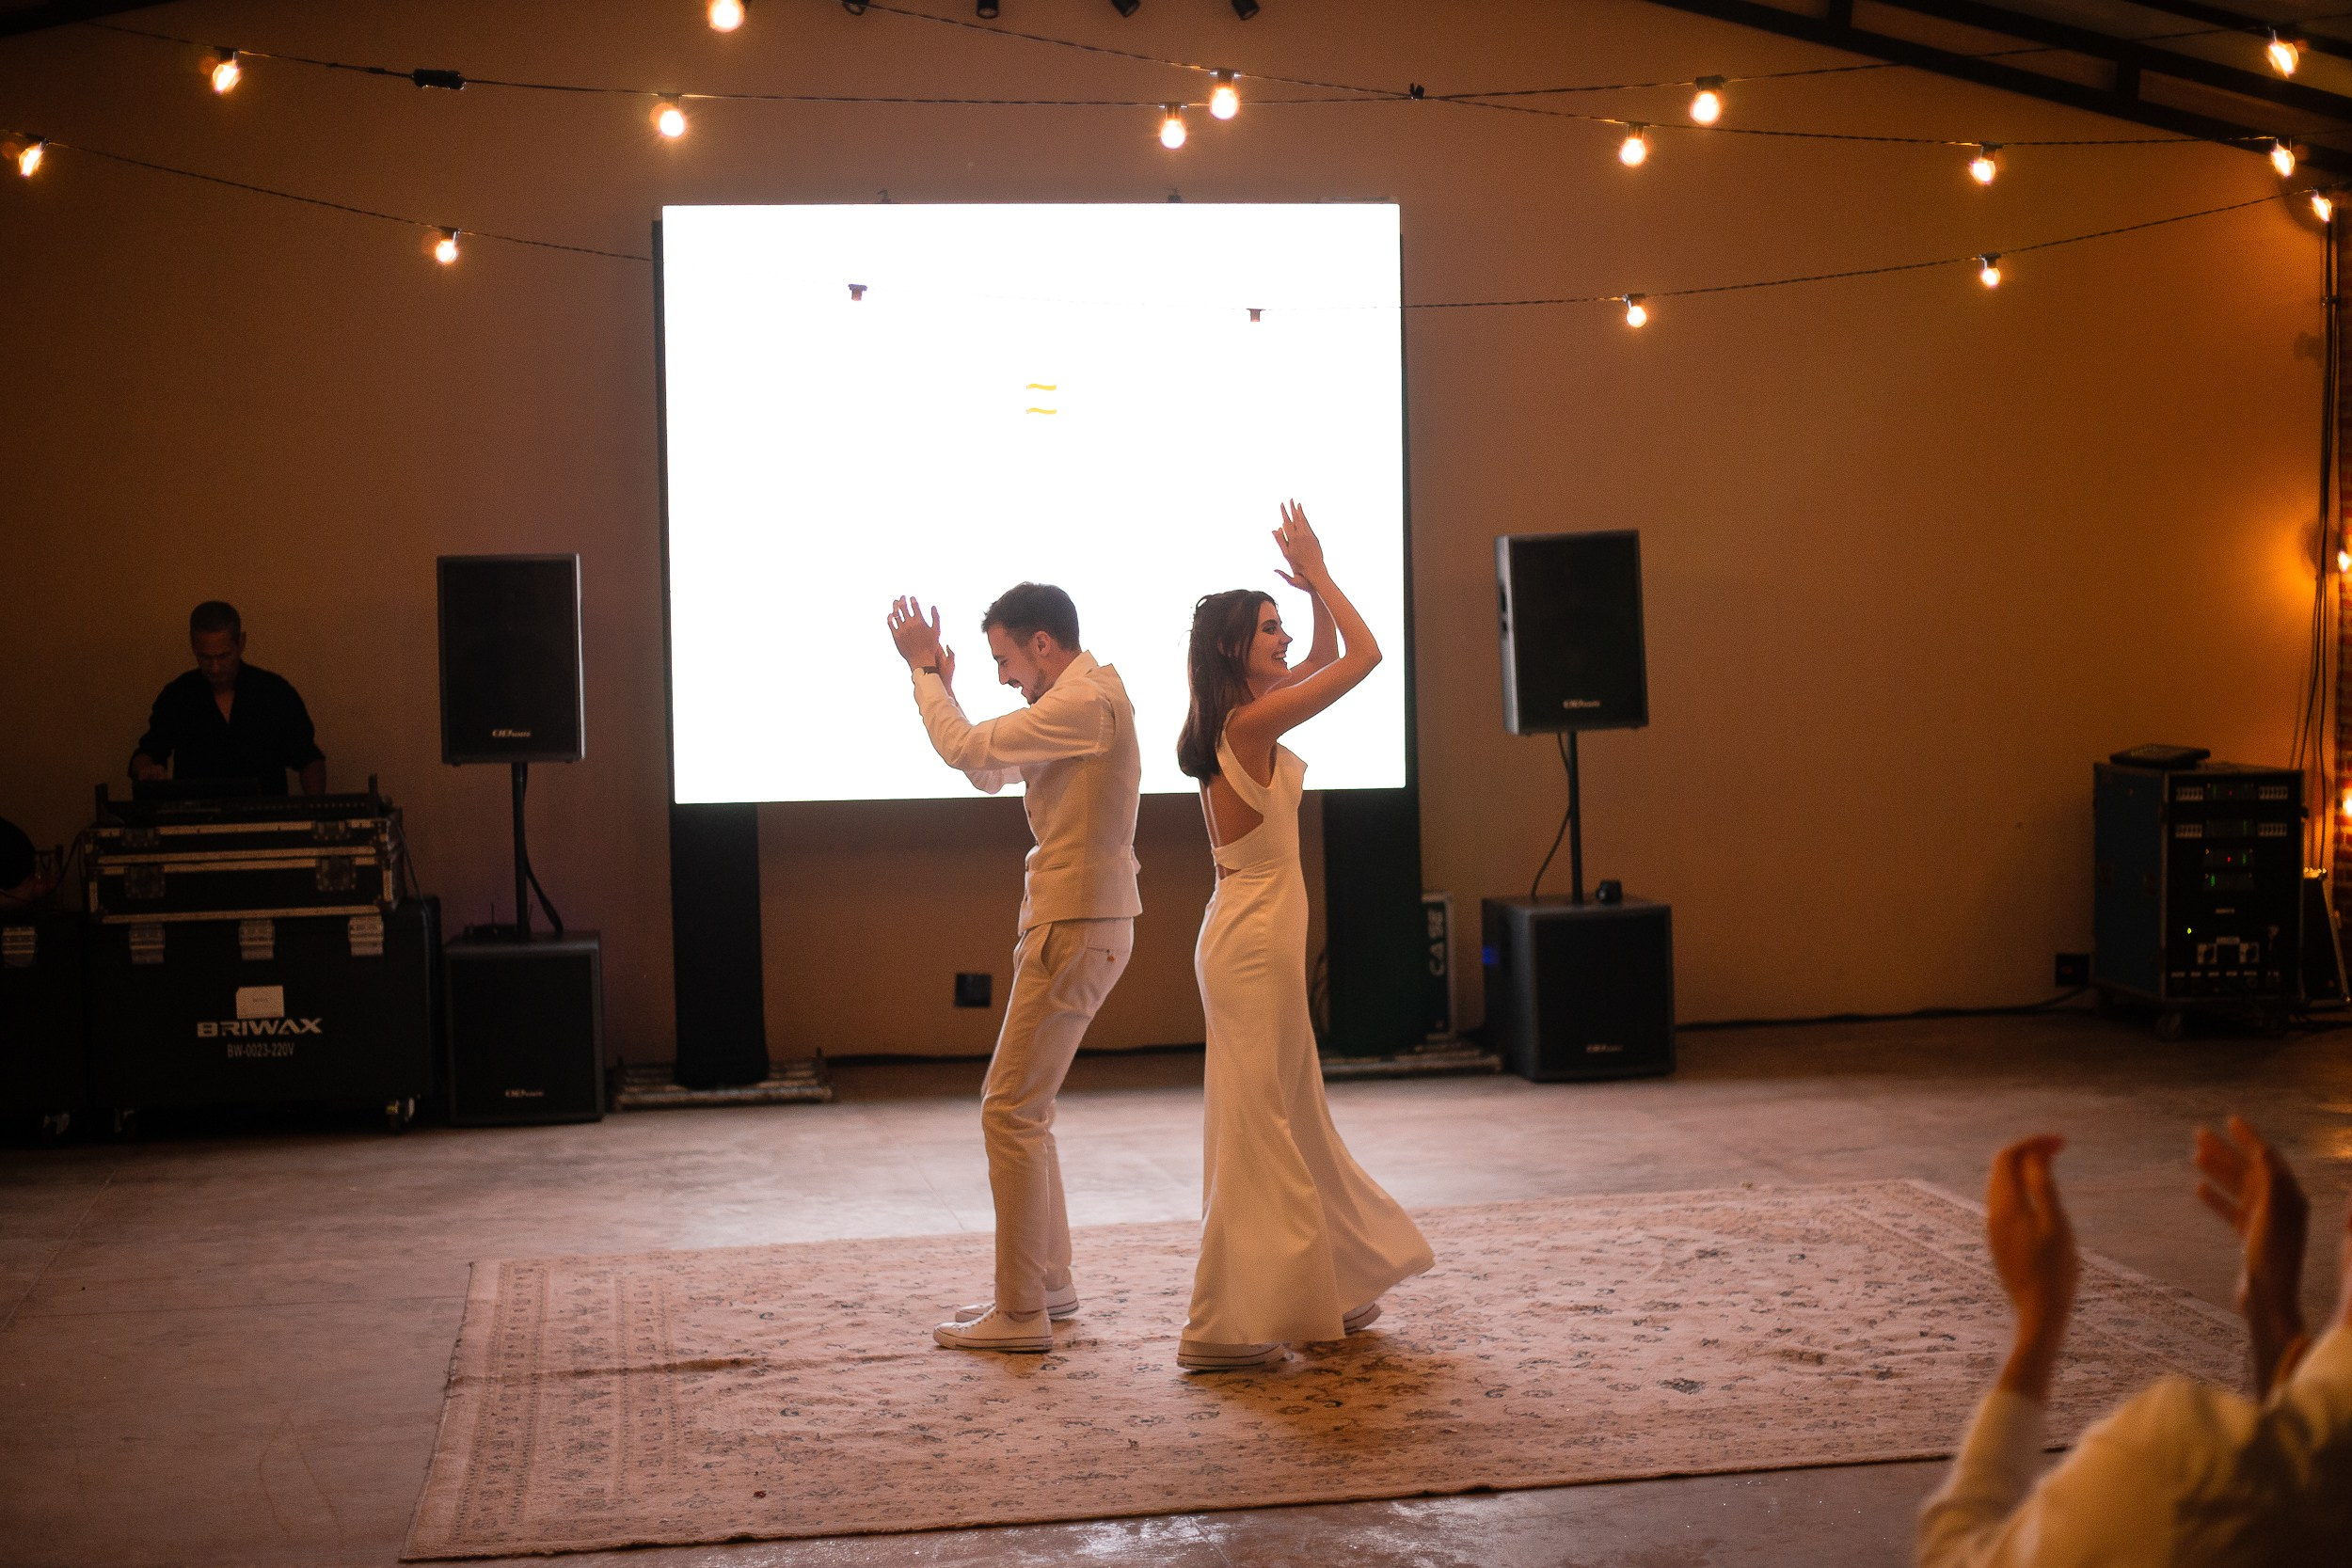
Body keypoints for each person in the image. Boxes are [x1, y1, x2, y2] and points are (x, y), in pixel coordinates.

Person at [1173, 500, 1433, 1372]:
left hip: (1259, 937)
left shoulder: (1257, 709)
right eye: (1268, 628)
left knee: (1293, 1117)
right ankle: (1223, 1327)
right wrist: (1319, 573)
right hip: (1248, 945)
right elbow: (1364, 658)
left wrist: (1310, 595)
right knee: (1260, 1128)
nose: (1285, 639)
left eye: (1282, 624)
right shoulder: (1247, 725)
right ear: (1229, 651)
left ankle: (1326, 1279)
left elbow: (1328, 654)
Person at [885, 581, 1142, 1354]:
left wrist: (922, 673)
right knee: (1027, 1108)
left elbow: (966, 748)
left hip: (1076, 920)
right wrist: (951, 688)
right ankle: (1049, 1285)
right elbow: (990, 771)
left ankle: (1022, 1310)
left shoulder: (1082, 701)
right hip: (1084, 917)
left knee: (1008, 1109)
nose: (1001, 674)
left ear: (1041, 644)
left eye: (1003, 658)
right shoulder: (1087, 697)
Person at [1917, 1119, 2352, 1564]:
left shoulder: (2173, 1461)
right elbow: (2297, 1479)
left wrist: (2038, 1320)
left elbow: (1948, 1557)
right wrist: (2274, 1317)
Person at [130, 601, 326, 797]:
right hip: (197, 821)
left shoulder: (274, 693)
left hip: (264, 819)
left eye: (223, 656)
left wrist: (314, 813)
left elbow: (309, 759)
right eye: (205, 657)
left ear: (241, 643)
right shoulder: (178, 696)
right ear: (192, 644)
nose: (214, 668)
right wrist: (146, 771)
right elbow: (148, 752)